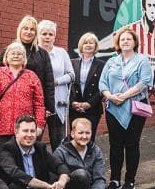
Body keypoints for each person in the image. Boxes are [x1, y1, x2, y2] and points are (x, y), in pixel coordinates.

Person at [99, 26, 153, 189]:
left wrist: (122, 96)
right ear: (118, 43)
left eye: (129, 39)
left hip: (134, 109)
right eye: (122, 39)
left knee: (131, 144)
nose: (125, 41)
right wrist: (109, 96)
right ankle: (115, 180)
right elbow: (102, 83)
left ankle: (130, 181)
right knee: (115, 145)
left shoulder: (142, 60)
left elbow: (144, 82)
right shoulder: (111, 61)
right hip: (113, 108)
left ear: (134, 42)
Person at [54, 117, 129, 189]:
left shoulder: (95, 150)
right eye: (80, 133)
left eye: (87, 133)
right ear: (73, 133)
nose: (84, 136)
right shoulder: (60, 152)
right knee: (81, 174)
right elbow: (53, 182)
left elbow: (99, 179)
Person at [0, 42, 44, 152]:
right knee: (2, 161)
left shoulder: (31, 76)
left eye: (19, 54)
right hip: (2, 127)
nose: (16, 56)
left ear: (24, 58)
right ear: (6, 57)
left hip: (25, 128)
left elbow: (39, 103)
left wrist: (39, 125)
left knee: (23, 160)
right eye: (12, 53)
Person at [16, 15, 56, 131]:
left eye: (32, 29)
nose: (28, 32)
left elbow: (48, 82)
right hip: (12, 104)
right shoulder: (10, 50)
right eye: (25, 28)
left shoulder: (42, 54)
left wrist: (49, 107)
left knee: (32, 140)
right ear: (20, 30)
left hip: (36, 105)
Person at [37, 20, 73, 150]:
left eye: (51, 34)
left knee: (58, 142)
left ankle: (59, 169)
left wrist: (55, 82)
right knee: (35, 140)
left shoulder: (61, 53)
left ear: (55, 37)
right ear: (38, 35)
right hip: (38, 104)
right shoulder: (34, 53)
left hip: (58, 103)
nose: (47, 37)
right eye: (44, 34)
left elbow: (71, 75)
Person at [69, 31, 106, 135]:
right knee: (74, 138)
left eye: (91, 43)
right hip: (75, 108)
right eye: (86, 43)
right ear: (81, 45)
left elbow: (103, 87)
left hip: (93, 109)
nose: (88, 45)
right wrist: (72, 103)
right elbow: (68, 86)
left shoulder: (102, 65)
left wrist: (89, 104)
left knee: (89, 139)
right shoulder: (72, 62)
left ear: (95, 46)